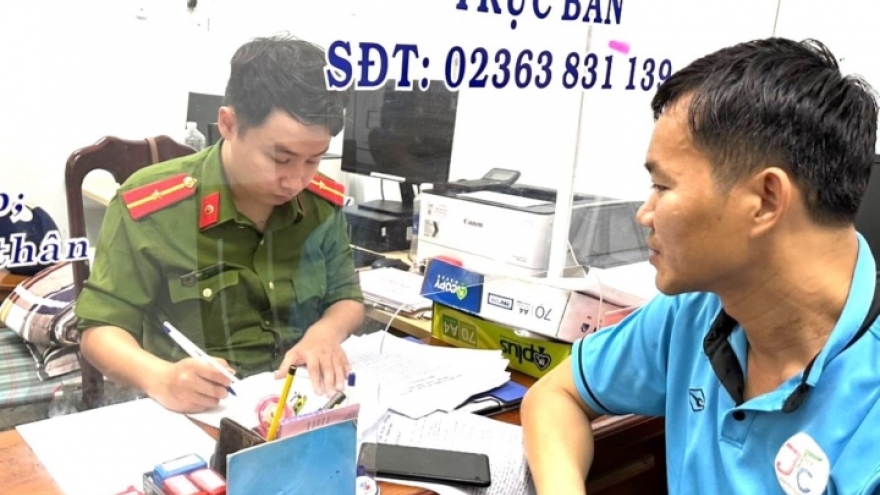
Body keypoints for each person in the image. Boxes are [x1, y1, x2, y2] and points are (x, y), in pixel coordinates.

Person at [522, 38, 880, 494]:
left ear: (766, 199)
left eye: (662, 186)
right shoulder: (698, 307)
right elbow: (557, 396)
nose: (645, 214)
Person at [75, 36, 364, 414]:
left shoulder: (320, 204)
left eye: (314, 160)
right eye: (281, 158)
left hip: (300, 404)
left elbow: (347, 297)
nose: (296, 180)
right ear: (228, 124)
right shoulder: (153, 207)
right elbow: (98, 330)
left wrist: (324, 334)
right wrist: (161, 377)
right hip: (199, 411)